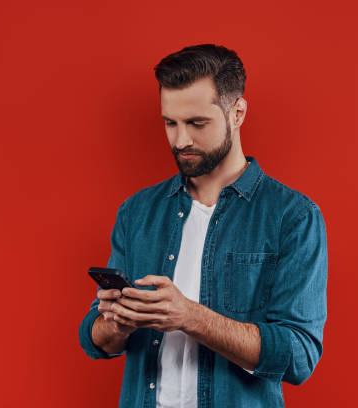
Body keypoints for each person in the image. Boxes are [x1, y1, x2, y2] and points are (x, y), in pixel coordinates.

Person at [78, 43, 328, 408]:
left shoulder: (293, 217)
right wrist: (117, 322)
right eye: (170, 123)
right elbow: (94, 340)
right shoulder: (137, 212)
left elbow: (299, 357)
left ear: (237, 112)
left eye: (196, 123)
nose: (180, 140)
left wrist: (189, 316)